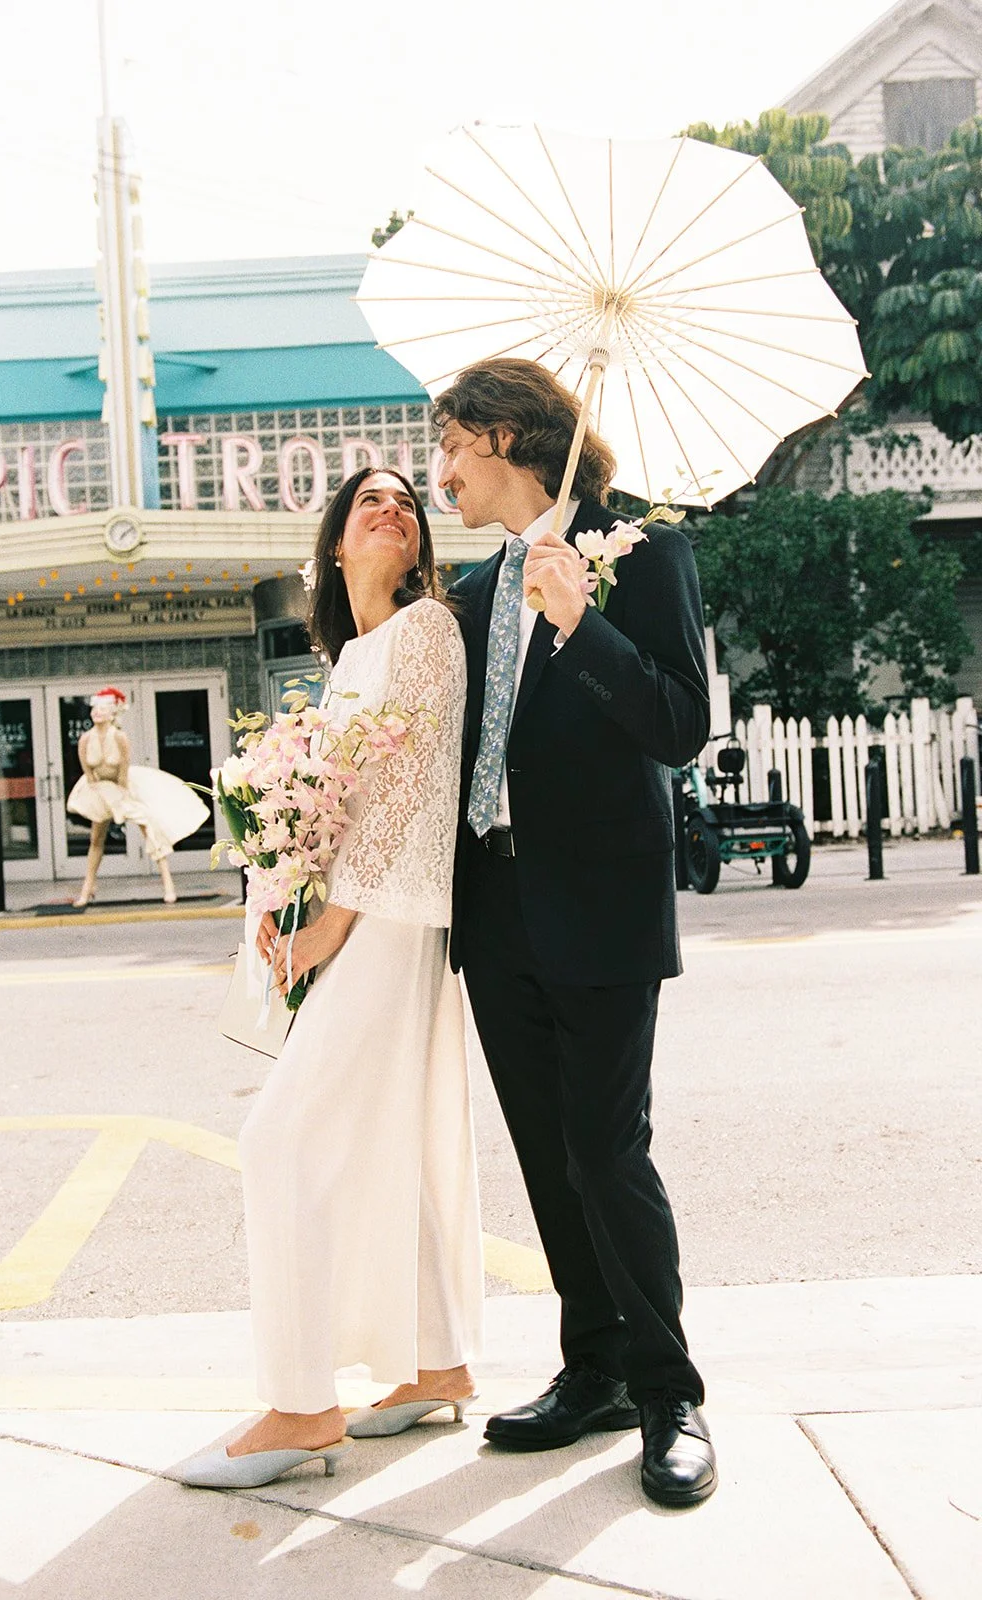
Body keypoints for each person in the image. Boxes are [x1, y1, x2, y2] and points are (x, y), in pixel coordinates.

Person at [437, 358, 717, 1508]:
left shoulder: (640, 550)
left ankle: (669, 1391)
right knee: (552, 1160)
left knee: (607, 1151)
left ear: (503, 438)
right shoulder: (470, 591)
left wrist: (579, 624)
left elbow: (682, 724)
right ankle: (591, 1367)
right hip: (493, 907)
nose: (439, 469)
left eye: (449, 443)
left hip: (599, 900)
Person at [175, 468, 483, 1491]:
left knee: (281, 1139)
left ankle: (304, 1405)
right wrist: (279, 898)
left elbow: (404, 785)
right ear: (336, 546)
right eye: (368, 502)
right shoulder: (351, 655)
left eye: (407, 500)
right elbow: (325, 799)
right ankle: (434, 1361)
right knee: (399, 1133)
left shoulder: (428, 629)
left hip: (391, 917)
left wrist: (334, 922)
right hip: (359, 913)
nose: (392, 508)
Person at [66, 686, 208, 907]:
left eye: (103, 709)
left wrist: (121, 800)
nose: (97, 713)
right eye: (95, 708)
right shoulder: (85, 740)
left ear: (113, 712)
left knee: (151, 831)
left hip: (123, 788)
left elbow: (123, 773)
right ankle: (87, 888)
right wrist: (105, 799)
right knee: (96, 840)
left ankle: (168, 885)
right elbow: (89, 775)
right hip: (99, 791)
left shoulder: (120, 737)